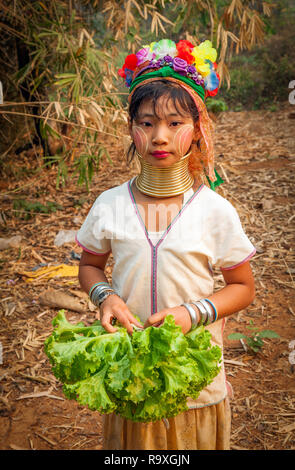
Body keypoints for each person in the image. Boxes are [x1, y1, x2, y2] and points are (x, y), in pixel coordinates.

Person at [76, 38, 256, 450]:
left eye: (175, 123)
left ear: (198, 131)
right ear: (130, 128)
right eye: (146, 123)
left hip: (193, 377)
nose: (159, 136)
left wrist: (193, 313)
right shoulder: (110, 204)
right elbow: (89, 266)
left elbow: (243, 287)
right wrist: (105, 296)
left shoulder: (214, 211)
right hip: (129, 367)